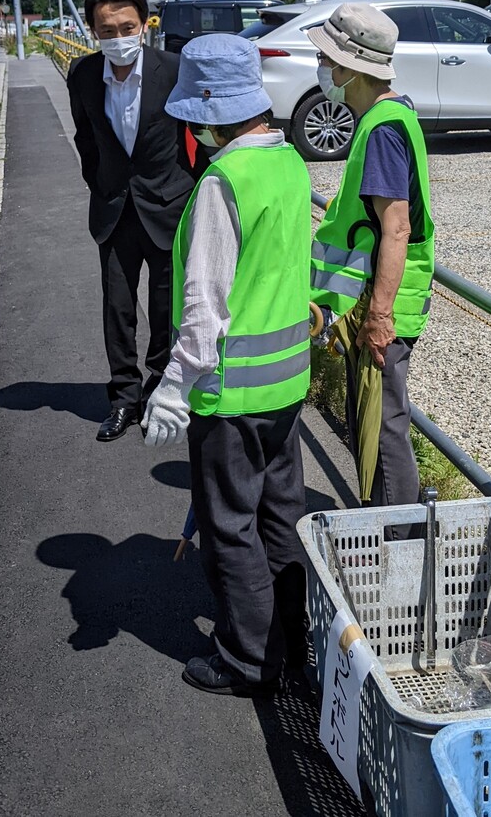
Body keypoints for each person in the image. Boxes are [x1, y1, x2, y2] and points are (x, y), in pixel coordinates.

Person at [142, 34, 312, 696]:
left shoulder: (223, 183)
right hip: (287, 384)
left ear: (211, 108)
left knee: (231, 528)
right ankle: (293, 644)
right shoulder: (291, 164)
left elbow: (204, 308)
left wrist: (172, 389)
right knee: (280, 520)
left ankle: (248, 661)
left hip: (232, 393)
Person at [307, 3, 435, 528]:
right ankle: (386, 528)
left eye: (326, 60)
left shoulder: (380, 129)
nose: (322, 71)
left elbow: (396, 228)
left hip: (383, 307)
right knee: (378, 423)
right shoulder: (388, 116)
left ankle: (397, 540)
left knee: (384, 429)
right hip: (375, 303)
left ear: (349, 69)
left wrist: (379, 315)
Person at [67, 0, 207, 442]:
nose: (119, 38)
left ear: (145, 23)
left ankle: (162, 389)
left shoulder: (173, 69)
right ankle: (124, 398)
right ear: (94, 31)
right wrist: (100, 183)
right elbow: (85, 137)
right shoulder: (84, 74)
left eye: (128, 28)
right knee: (117, 309)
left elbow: (199, 138)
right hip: (113, 209)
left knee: (169, 308)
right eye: (107, 31)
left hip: (168, 207)